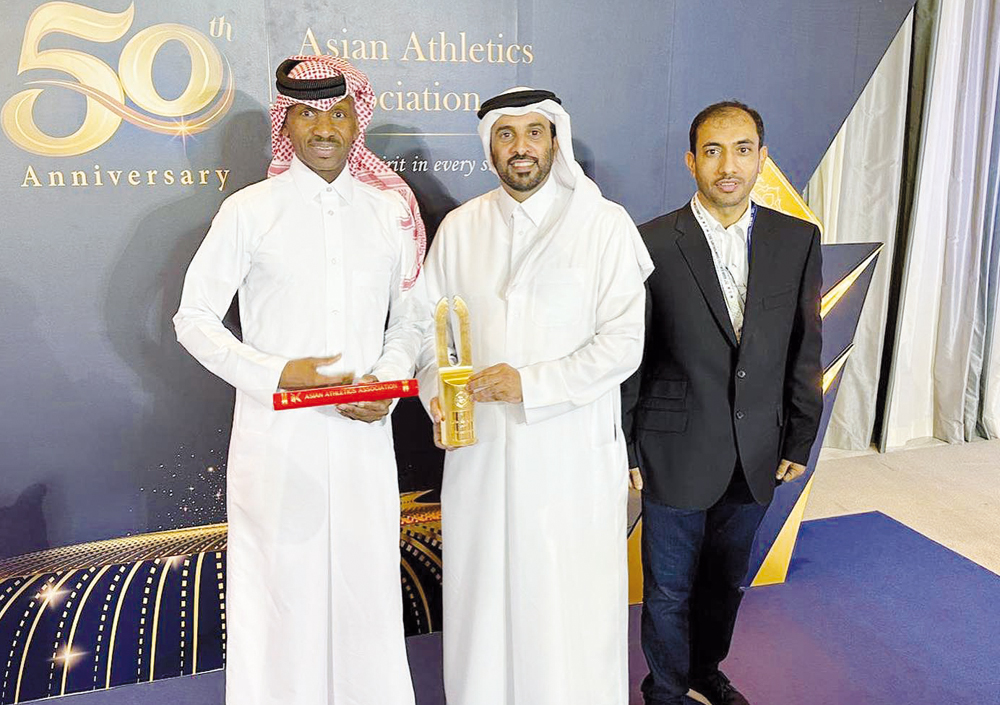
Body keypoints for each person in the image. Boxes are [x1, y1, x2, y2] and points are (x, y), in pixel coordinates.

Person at [173, 55, 427, 705]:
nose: (324, 128)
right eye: (307, 114)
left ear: (355, 124)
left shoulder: (387, 213)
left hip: (365, 444)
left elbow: (413, 323)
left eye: (338, 113)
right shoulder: (249, 211)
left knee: (366, 592)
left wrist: (388, 379)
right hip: (279, 442)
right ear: (288, 122)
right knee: (279, 599)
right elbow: (194, 319)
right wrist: (276, 373)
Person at [417, 87, 653, 705]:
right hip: (481, 452)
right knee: (484, 595)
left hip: (569, 454)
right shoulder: (461, 228)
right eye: (505, 135)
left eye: (534, 133)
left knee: (566, 597)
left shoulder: (604, 225)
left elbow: (624, 345)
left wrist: (532, 383)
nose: (520, 149)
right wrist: (433, 393)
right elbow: (427, 332)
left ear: (556, 141)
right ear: (489, 146)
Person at [622, 101, 823, 705]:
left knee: (726, 580)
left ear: (761, 159)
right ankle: (664, 690)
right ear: (691, 162)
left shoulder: (797, 239)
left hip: (759, 444)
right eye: (712, 151)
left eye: (742, 150)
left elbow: (804, 345)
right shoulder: (649, 240)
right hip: (672, 445)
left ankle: (705, 670)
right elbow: (632, 353)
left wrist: (798, 437)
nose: (727, 165)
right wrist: (627, 443)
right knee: (667, 586)